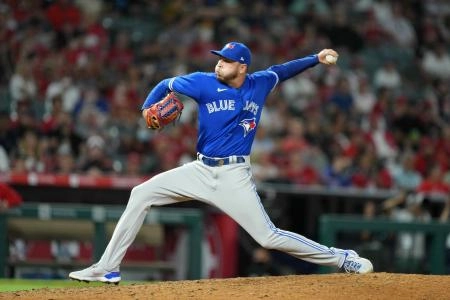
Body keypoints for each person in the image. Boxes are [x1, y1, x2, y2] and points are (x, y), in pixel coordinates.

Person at [69, 41, 373, 284]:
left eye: (226, 60)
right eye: (219, 58)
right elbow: (166, 84)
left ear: (242, 66)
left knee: (267, 237)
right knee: (141, 194)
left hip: (234, 175)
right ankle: (108, 267)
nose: (219, 63)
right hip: (200, 169)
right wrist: (148, 107)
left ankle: (342, 258)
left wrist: (316, 58)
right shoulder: (202, 82)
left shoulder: (260, 83)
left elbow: (285, 69)